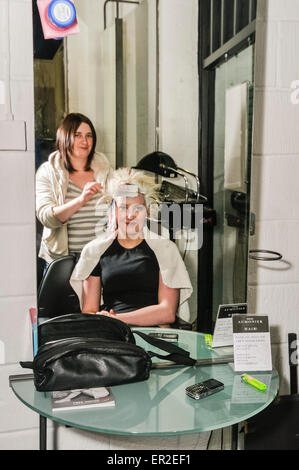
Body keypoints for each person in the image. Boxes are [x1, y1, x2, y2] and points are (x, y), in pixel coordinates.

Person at [70, 168, 193, 327]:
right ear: (113, 211)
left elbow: (167, 313)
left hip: (154, 333)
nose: (130, 215)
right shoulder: (94, 251)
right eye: (124, 207)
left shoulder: (165, 250)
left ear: (147, 211)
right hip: (114, 334)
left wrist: (119, 320)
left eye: (138, 208)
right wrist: (109, 322)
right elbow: (89, 311)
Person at [36, 113, 112, 267]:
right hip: (64, 262)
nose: (84, 141)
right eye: (77, 135)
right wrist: (81, 199)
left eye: (89, 136)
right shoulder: (48, 171)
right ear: (65, 138)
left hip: (102, 259)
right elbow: (46, 217)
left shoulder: (104, 169)